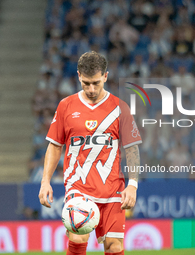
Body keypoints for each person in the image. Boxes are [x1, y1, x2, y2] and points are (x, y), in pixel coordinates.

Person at [38, 51, 141, 255]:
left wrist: (133, 185)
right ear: (78, 76)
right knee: (77, 237)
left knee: (114, 247)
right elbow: (54, 146)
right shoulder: (66, 106)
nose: (91, 89)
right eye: (86, 83)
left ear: (105, 76)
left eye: (96, 82)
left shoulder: (120, 108)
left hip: (113, 190)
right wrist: (45, 181)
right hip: (79, 187)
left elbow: (132, 148)